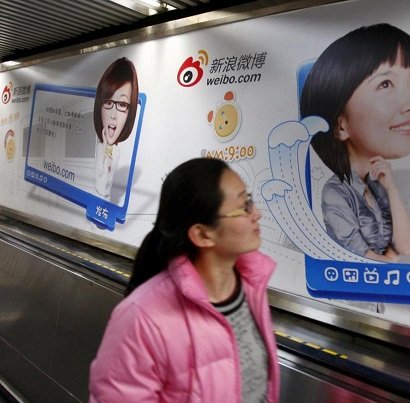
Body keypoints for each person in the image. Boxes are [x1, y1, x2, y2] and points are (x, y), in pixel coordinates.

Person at [89, 158, 280, 402]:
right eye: (244, 207)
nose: (257, 214)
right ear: (202, 234)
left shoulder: (252, 288)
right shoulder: (142, 318)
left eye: (250, 201)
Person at [300, 23, 410, 262]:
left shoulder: (378, 182)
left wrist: (391, 188)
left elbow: (405, 246)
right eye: (385, 84)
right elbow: (361, 257)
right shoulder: (335, 192)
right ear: (341, 125)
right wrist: (391, 259)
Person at [93, 57, 139, 199]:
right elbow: (100, 187)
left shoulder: (119, 153)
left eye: (122, 104)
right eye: (107, 102)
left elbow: (105, 191)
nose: (113, 115)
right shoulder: (98, 147)